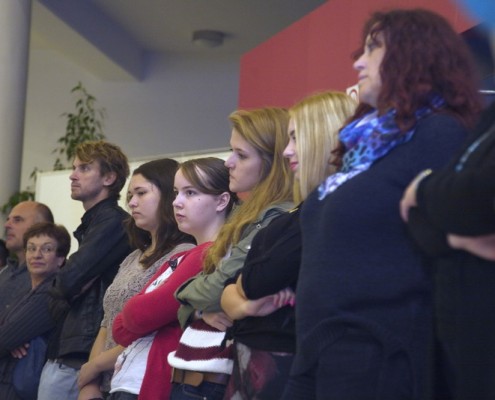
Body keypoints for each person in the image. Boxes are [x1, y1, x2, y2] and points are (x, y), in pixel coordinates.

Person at [284, 9, 482, 400]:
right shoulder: (364, 147)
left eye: (373, 48)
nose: (358, 62)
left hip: (383, 351)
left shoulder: (440, 132)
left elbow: (451, 243)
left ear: (415, 52)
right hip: (316, 349)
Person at [220, 91, 356, 399]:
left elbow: (253, 281)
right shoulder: (299, 213)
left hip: (289, 369)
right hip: (257, 363)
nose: (287, 151)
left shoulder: (328, 210)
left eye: (296, 138)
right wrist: (243, 302)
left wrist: (240, 292)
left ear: (322, 140)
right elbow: (230, 286)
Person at [169, 107, 294, 400]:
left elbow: (212, 289)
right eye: (231, 151)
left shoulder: (276, 219)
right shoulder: (246, 217)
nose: (229, 162)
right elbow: (190, 302)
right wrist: (197, 308)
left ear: (271, 163)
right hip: (200, 370)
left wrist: (192, 297)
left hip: (228, 373)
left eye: (242, 155)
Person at [399, 20, 495, 400]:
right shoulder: (486, 121)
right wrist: (459, 237)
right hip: (459, 345)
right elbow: (418, 225)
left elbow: (476, 198)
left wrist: (422, 187)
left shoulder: (443, 129)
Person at [108, 157, 236, 399]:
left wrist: (149, 315)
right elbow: (120, 328)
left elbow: (138, 315)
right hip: (136, 378)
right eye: (176, 193)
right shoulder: (181, 257)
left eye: (190, 193)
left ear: (221, 201)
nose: (176, 202)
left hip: (161, 380)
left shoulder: (209, 254)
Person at [77, 159, 195, 400]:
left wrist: (95, 366)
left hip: (139, 381)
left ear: (168, 196)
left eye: (141, 193)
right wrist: (91, 382)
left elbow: (152, 329)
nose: (131, 202)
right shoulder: (133, 257)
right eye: (130, 195)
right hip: (107, 382)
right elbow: (107, 321)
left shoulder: (183, 253)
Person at [37, 141, 133, 400]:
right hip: (72, 350)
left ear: (109, 178)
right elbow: (58, 291)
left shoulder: (112, 221)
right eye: (74, 168)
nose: (72, 175)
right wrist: (65, 287)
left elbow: (66, 282)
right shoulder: (95, 223)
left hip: (82, 355)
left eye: (84, 168)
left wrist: (65, 287)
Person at [0, 222, 71, 399]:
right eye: (31, 248)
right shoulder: (26, 292)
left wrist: (10, 339)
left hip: (21, 389)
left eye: (46, 249)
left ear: (60, 259)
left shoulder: (52, 292)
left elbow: (4, 338)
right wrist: (11, 340)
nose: (36, 255)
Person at [0, 201, 54, 316]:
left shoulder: (47, 276)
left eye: (17, 220)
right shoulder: (5, 272)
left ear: (40, 227)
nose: (7, 225)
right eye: (8, 219)